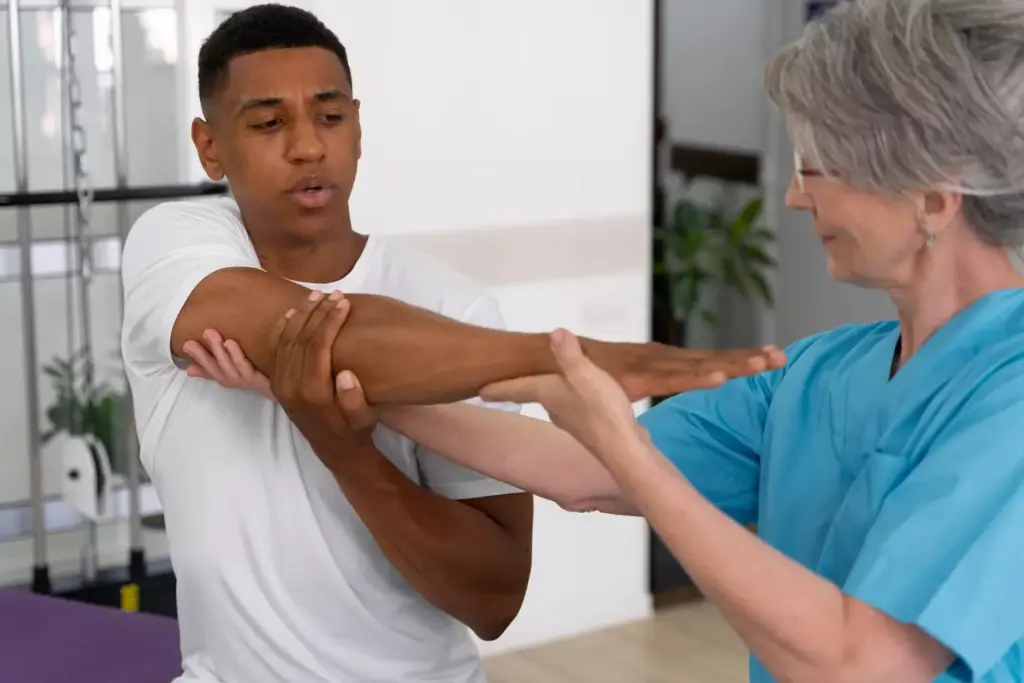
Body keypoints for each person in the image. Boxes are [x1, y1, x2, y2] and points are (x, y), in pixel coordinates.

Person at [185, 1, 1024, 682]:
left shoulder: (1011, 399)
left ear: (934, 194)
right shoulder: (827, 371)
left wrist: (621, 441)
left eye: (820, 166)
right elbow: (585, 469)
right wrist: (330, 389)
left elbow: (863, 663)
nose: (798, 199)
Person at [120, 4, 781, 683]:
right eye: (267, 123)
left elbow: (494, 598)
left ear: (358, 126)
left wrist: (351, 454)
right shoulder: (177, 245)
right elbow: (319, 332)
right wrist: (557, 355)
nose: (308, 146)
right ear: (208, 146)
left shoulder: (450, 305)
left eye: (329, 116)